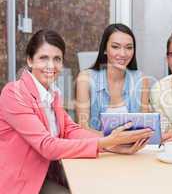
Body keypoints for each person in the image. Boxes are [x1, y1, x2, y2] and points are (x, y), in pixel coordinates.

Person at [0, 29, 153, 194]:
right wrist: (107, 142)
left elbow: (70, 130)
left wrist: (112, 144)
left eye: (57, 59)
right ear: (30, 60)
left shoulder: (52, 93)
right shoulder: (14, 93)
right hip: (23, 180)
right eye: (43, 58)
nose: (51, 66)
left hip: (51, 172)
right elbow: (47, 146)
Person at [76, 23, 150, 130]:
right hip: (98, 145)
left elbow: (145, 127)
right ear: (105, 49)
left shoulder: (141, 79)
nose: (123, 53)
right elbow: (83, 128)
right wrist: (112, 140)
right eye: (115, 47)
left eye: (129, 48)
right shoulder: (86, 78)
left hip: (133, 146)